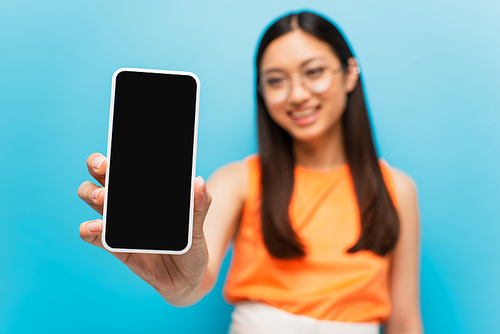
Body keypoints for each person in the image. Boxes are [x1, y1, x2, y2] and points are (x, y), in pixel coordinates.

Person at [78, 11, 423, 334]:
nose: (298, 94)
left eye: (314, 72)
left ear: (350, 73)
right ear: (261, 91)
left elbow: (405, 320)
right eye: (276, 80)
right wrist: (179, 283)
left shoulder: (397, 190)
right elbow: (192, 282)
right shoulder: (237, 181)